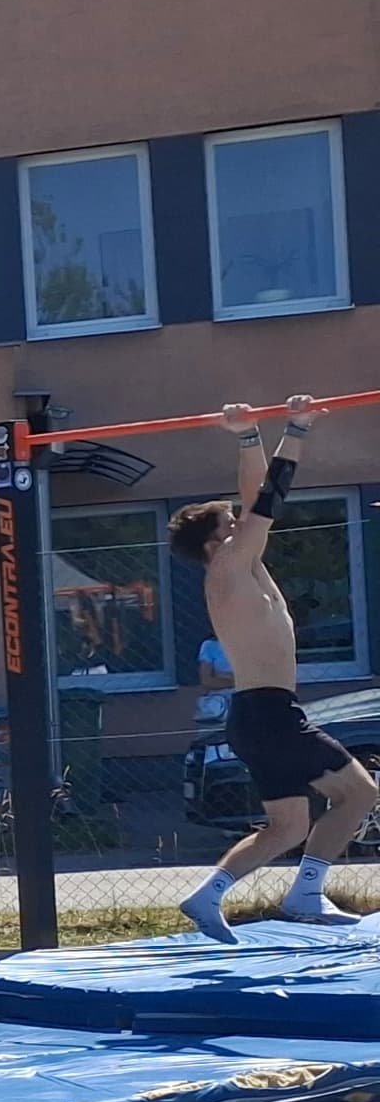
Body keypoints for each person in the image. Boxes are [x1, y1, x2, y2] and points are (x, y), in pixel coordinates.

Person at [174, 397, 380, 939]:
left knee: (288, 825)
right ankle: (308, 894)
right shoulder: (230, 566)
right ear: (219, 539)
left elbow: (252, 497)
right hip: (269, 714)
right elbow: (268, 498)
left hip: (257, 714)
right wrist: (298, 428)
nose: (242, 520)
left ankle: (206, 895)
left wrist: (246, 436)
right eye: (232, 522)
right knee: (360, 794)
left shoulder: (239, 563)